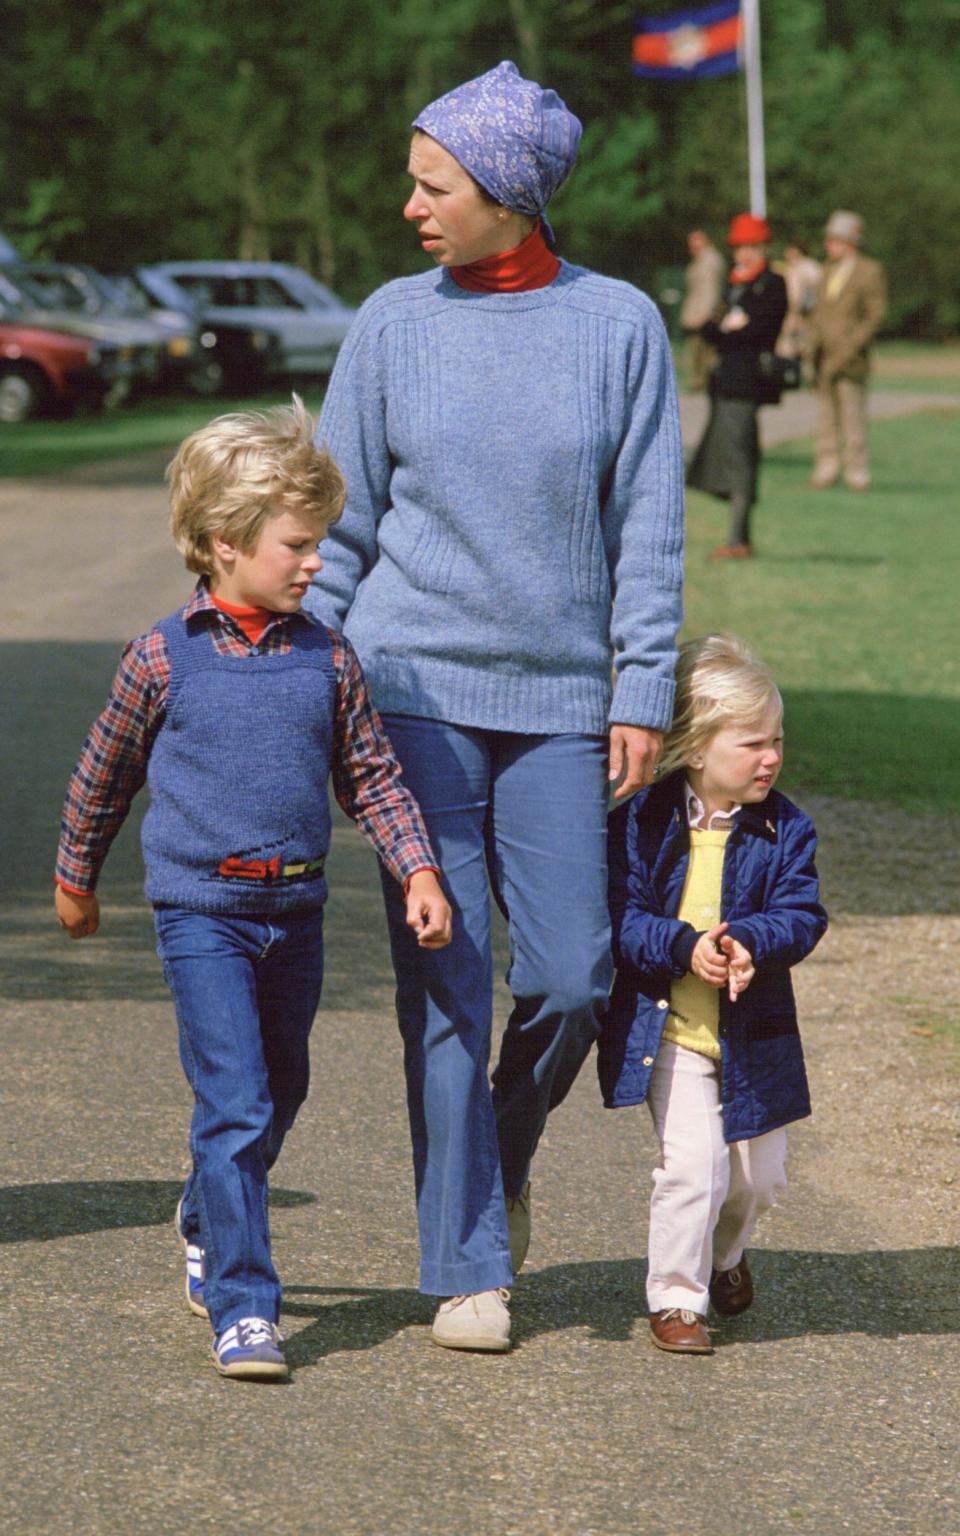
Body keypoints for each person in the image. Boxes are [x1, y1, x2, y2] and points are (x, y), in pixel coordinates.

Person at [302, 60, 684, 1353]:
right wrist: (322, 687)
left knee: (575, 975)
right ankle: (467, 1260)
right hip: (408, 690)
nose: (410, 207)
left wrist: (641, 687)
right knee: (449, 981)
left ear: (509, 195)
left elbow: (650, 528)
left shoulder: (621, 325)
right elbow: (336, 530)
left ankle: (492, 1165)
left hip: (566, 704)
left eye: (434, 185)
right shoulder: (392, 325)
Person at [54, 399, 451, 1382]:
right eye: (298, 545)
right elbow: (104, 775)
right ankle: (243, 1303)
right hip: (201, 916)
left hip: (296, 912)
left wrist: (419, 868)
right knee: (233, 1102)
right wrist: (76, 874)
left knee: (283, 1091)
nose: (316, 562)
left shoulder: (328, 658)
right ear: (225, 545)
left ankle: (204, 1206)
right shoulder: (162, 656)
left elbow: (373, 778)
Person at [601, 633, 827, 1355]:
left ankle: (726, 1258)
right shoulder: (641, 822)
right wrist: (681, 946)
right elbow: (623, 921)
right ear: (696, 748)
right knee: (691, 1168)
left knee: (758, 1179)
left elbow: (803, 914)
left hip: (753, 1037)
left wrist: (753, 941)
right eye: (753, 743)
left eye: (777, 741)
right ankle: (676, 1298)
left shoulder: (786, 827)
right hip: (672, 1034)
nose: (772, 757)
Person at [685, 212, 788, 561]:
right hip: (724, 380)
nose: (743, 254)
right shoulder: (734, 284)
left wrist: (730, 329)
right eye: (739, 247)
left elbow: (759, 330)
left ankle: (737, 539)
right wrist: (729, 327)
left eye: (750, 247)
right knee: (728, 455)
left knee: (741, 457)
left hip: (748, 383)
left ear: (763, 248)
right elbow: (710, 329)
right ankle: (737, 537)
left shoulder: (772, 284)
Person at [807, 210, 887, 491]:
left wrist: (852, 346)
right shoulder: (826, 271)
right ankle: (826, 469)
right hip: (824, 356)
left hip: (851, 358)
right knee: (826, 418)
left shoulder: (869, 271)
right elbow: (817, 312)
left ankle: (857, 473)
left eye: (834, 240)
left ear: (849, 242)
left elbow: (875, 315)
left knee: (853, 419)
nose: (828, 245)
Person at [680, 229, 726, 391]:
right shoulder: (701, 260)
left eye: (696, 241)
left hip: (704, 315)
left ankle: (702, 384)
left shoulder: (709, 262)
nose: (692, 246)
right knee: (698, 352)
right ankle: (700, 383)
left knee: (704, 353)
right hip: (698, 313)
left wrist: (704, 315)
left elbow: (710, 291)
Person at [776, 239, 822, 364]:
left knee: (805, 347)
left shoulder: (808, 266)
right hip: (789, 312)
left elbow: (813, 291)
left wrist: (802, 311)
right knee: (787, 348)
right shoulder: (789, 267)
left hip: (804, 314)